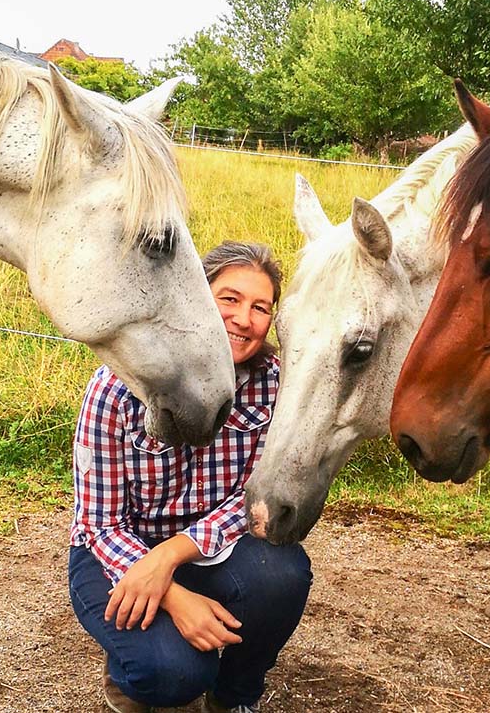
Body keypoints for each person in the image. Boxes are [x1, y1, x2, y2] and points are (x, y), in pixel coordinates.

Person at [68, 241, 311, 713]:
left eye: (261, 307)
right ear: (198, 297)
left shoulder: (275, 384)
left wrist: (172, 557)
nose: (245, 318)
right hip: (117, 551)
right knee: (173, 673)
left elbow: (251, 497)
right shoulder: (118, 385)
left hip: (212, 549)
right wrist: (172, 594)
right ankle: (130, 679)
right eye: (230, 299)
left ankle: (233, 697)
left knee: (283, 576)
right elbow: (99, 523)